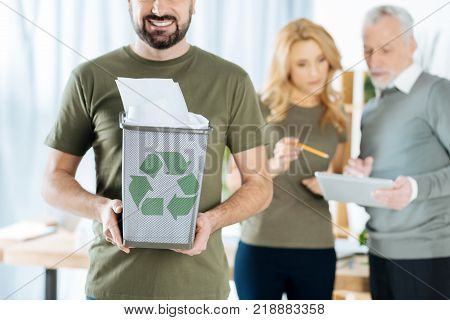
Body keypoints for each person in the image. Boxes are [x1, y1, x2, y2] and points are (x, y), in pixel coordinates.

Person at [41, 0, 272, 300]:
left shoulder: (231, 81)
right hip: (113, 290)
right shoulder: (90, 77)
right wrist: (99, 209)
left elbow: (261, 184)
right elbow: (52, 180)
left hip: (199, 292)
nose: (159, 7)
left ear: (193, 4)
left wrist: (213, 220)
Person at [227, 18, 348, 300]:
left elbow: (338, 176)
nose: (315, 72)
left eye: (321, 60)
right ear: (286, 67)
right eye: (302, 64)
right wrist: (274, 166)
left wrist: (341, 181)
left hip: (317, 248)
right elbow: (233, 181)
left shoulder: (337, 115)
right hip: (260, 247)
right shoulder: (257, 106)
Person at [344, 5, 450, 299]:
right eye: (367, 50)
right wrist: (362, 183)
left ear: (411, 45)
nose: (374, 60)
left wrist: (415, 188)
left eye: (386, 49)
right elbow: (381, 196)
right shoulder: (371, 111)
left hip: (429, 256)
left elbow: (411, 189)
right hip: (380, 252)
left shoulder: (437, 93)